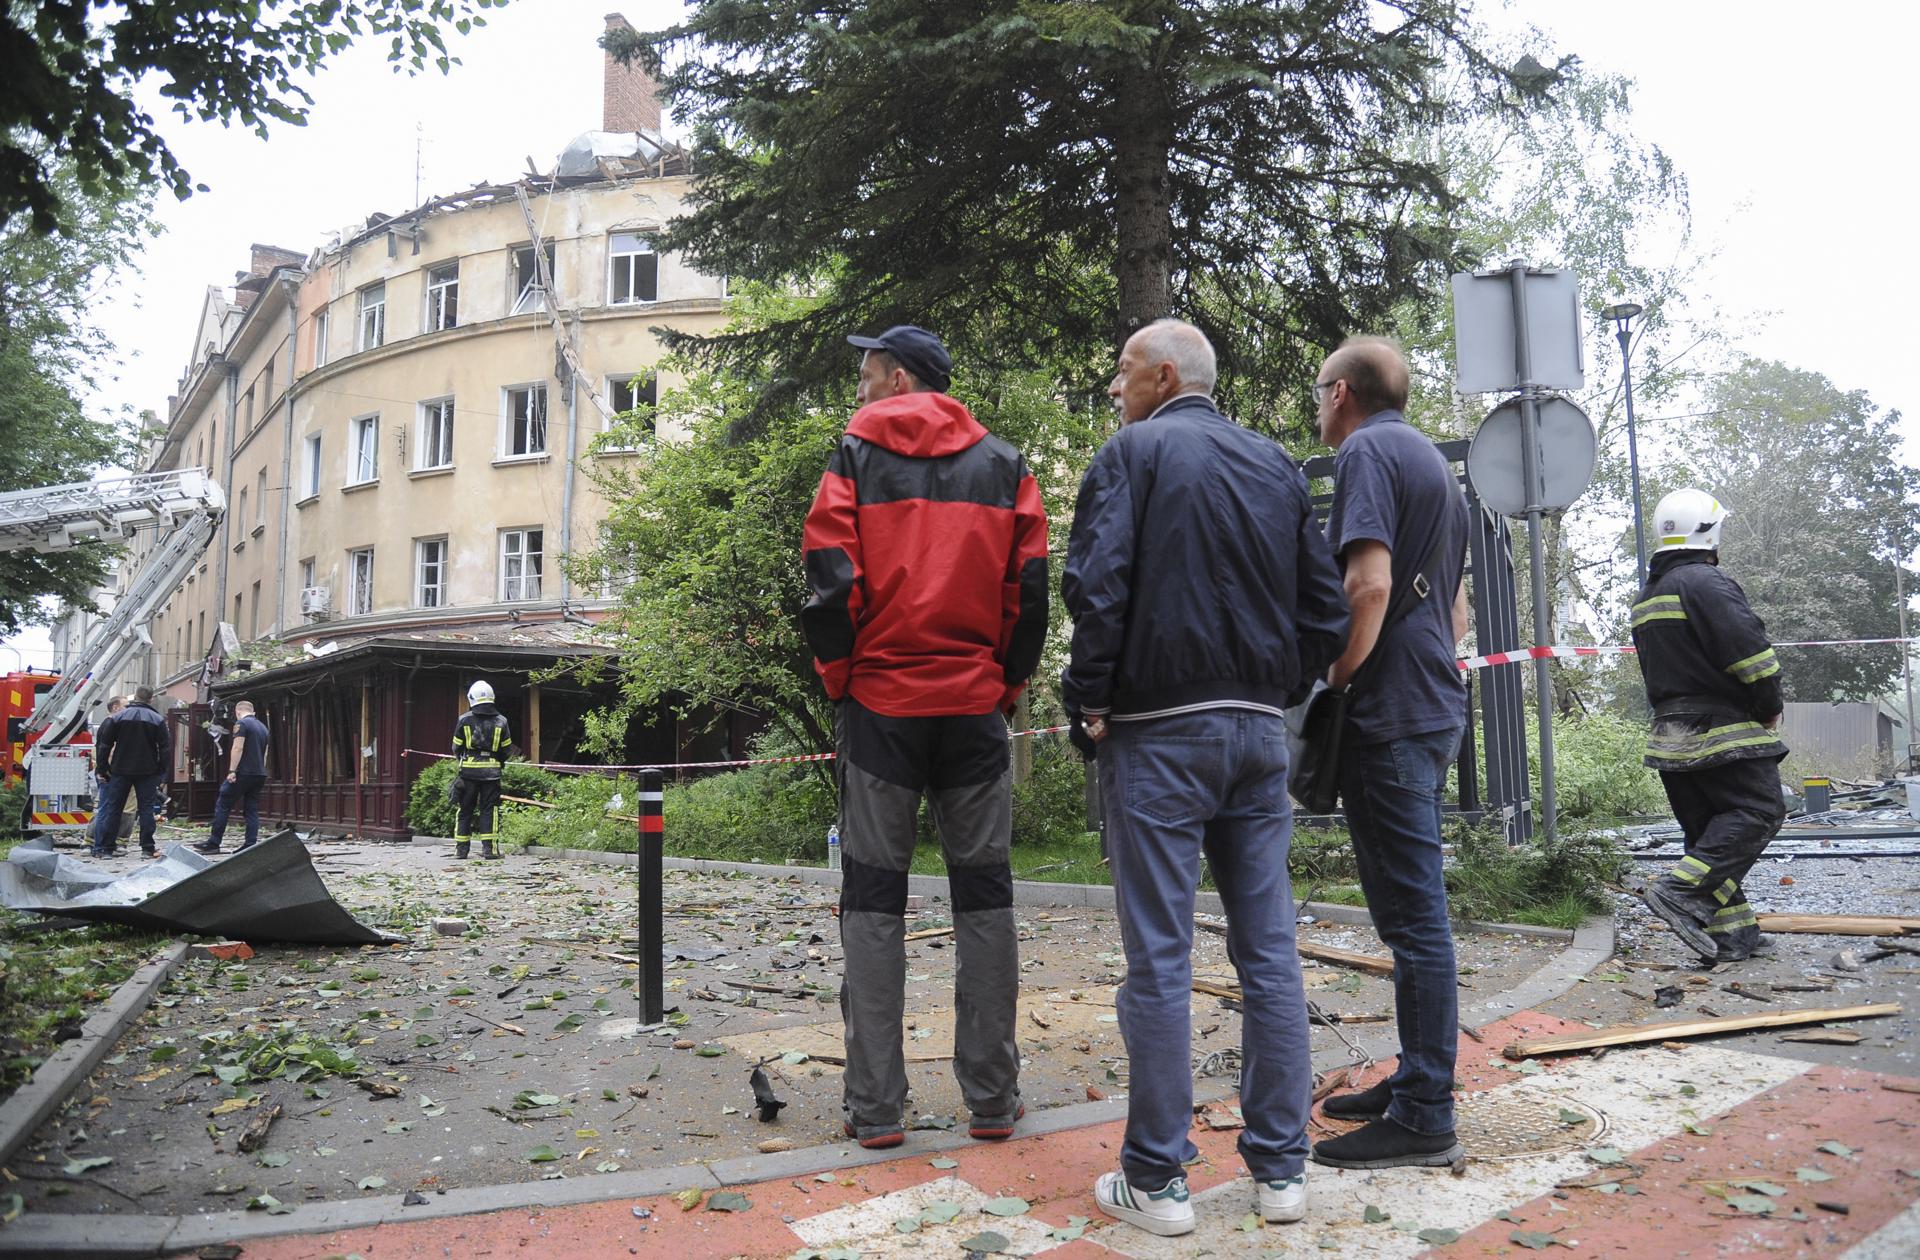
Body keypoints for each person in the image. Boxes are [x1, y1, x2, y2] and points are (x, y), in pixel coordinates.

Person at [1061, 319, 1350, 1237]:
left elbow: (1096, 587)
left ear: (1160, 373)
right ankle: (1280, 1172)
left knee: (1161, 956)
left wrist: (1090, 700)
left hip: (1157, 736)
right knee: (1268, 952)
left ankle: (1156, 1177)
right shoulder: (1274, 464)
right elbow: (1326, 610)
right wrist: (1274, 688)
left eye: (1119, 372)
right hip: (1258, 736)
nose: (1113, 388)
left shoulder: (1131, 455)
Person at [801, 324, 1049, 1151]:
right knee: (986, 898)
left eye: (869, 377)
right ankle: (992, 1099)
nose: (862, 392)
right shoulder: (1005, 465)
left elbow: (830, 580)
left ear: (901, 378)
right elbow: (1030, 594)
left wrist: (844, 682)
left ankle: (876, 1110)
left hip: (881, 711)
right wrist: (1004, 690)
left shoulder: (854, 458)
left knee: (872, 904)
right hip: (974, 708)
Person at [1309, 336, 1473, 1171]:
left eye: (1318, 390)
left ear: (1342, 394)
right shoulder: (1433, 468)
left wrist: (1333, 680)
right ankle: (1415, 1076)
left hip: (1392, 712)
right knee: (1409, 917)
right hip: (1431, 700)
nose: (1316, 403)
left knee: (1415, 922)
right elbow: (1460, 615)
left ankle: (1423, 1113)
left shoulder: (1369, 451)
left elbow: (1367, 584)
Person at [1631, 488, 1786, 963]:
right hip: (1720, 727)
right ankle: (1681, 892)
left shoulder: (1649, 596)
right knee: (1759, 811)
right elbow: (1753, 656)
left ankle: (1734, 934)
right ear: (1710, 533)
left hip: (1671, 734)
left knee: (1705, 834)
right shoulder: (1707, 583)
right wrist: (1767, 707)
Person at [92, 686, 170, 860]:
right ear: (151, 700)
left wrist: (102, 769)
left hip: (120, 769)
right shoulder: (157, 719)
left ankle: (106, 849)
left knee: (114, 808)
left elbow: (105, 745)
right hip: (147, 771)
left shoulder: (118, 717)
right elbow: (165, 748)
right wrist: (162, 772)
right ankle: (147, 848)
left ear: (135, 697)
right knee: (146, 809)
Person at [195, 700, 270, 854]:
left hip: (243, 772)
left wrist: (232, 771)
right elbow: (264, 752)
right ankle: (250, 843)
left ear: (237, 712)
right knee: (251, 809)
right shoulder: (263, 727)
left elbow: (238, 747)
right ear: (253, 712)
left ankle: (214, 843)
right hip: (259, 773)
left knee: (223, 803)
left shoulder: (242, 724)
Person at [452, 679, 513, 860]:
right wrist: (497, 761)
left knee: (465, 810)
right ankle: (490, 850)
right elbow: (507, 749)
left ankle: (461, 851)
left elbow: (456, 747)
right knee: (489, 810)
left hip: (468, 772)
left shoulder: (464, 720)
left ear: (472, 698)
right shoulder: (502, 721)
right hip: (492, 773)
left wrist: (465, 759)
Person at [88, 695, 127, 856]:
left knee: (107, 809)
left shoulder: (110, 724)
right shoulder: (110, 724)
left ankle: (100, 846)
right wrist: (105, 771)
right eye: (125, 706)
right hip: (109, 774)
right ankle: (99, 847)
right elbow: (106, 750)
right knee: (106, 810)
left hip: (107, 773)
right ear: (115, 707)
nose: (128, 709)